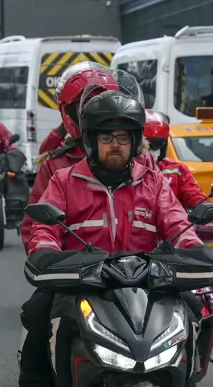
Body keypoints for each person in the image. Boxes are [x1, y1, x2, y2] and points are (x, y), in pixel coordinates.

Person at [21, 90, 213, 387]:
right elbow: (43, 228)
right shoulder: (64, 180)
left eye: (123, 138)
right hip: (83, 278)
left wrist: (192, 247)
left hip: (145, 276)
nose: (116, 145)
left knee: (193, 312)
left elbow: (176, 223)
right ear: (91, 140)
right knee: (40, 314)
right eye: (107, 137)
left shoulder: (154, 182)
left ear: (135, 142)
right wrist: (45, 251)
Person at [21, 63, 157, 249]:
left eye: (102, 101)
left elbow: (170, 217)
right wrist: (48, 258)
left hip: (141, 272)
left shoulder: (142, 159)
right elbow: (36, 229)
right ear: (71, 113)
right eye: (86, 106)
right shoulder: (57, 166)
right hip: (79, 273)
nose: (96, 113)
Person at [145, 109, 207, 208]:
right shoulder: (124, 170)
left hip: (172, 221)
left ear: (164, 146)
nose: (150, 149)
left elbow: (195, 196)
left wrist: (203, 206)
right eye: (145, 145)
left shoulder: (177, 171)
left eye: (157, 143)